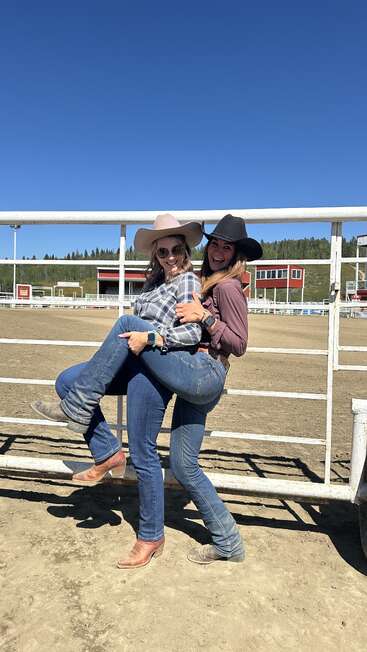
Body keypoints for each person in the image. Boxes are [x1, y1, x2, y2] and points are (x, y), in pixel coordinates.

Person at [33, 214, 262, 567]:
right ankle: (227, 539)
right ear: (155, 255)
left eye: (225, 246)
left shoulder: (217, 286)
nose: (170, 256)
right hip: (170, 365)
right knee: (183, 466)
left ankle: (150, 535)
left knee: (127, 328)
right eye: (163, 251)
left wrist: (194, 322)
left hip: (195, 368)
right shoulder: (194, 282)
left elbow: (232, 341)